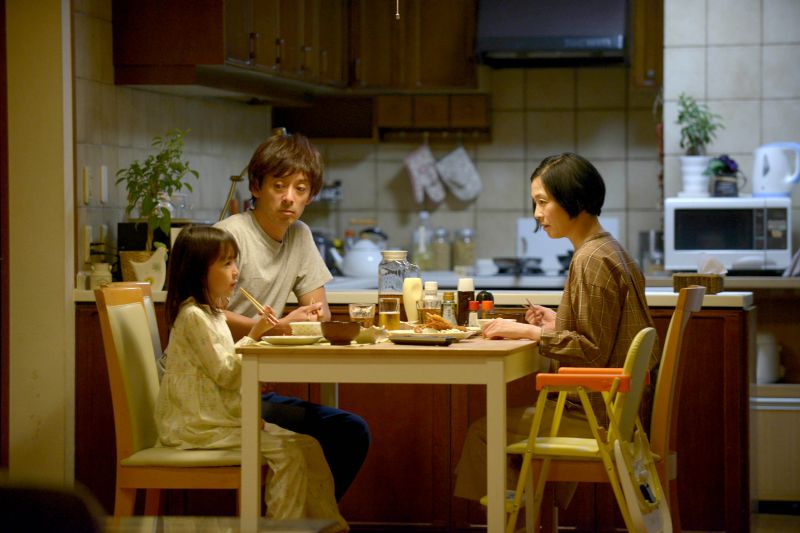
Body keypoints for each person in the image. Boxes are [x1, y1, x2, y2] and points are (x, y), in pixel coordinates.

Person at [454, 152, 660, 504]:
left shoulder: (590, 259)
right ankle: (527, 514)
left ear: (574, 199)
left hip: (598, 416)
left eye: (543, 202)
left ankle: (511, 520)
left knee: (483, 432)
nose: (537, 214)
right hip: (621, 412)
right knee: (510, 432)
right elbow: (603, 334)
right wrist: (557, 322)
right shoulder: (610, 250)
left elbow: (591, 351)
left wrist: (529, 332)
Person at [155, 225, 348, 529]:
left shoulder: (212, 314)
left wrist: (255, 337)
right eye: (226, 263)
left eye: (235, 261)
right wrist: (255, 334)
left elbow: (225, 370)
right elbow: (227, 374)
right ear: (198, 271)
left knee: (309, 445)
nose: (236, 271)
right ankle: (283, 529)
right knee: (289, 453)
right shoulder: (193, 316)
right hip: (196, 428)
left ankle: (326, 525)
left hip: (217, 420)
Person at [214, 131, 370, 501]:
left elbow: (319, 312)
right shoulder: (228, 236)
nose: (289, 198)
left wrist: (299, 321)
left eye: (300, 189)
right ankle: (301, 521)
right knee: (342, 431)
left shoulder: (299, 235)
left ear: (311, 195)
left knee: (350, 430)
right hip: (215, 391)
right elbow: (203, 316)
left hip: (251, 383)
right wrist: (272, 329)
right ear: (256, 187)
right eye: (279, 186)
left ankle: (307, 520)